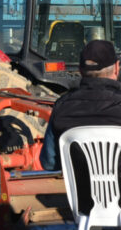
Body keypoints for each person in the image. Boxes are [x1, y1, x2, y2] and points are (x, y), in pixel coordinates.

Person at [39, 40, 121, 170]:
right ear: (117, 68)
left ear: (80, 71)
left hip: (80, 190)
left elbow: (49, 163)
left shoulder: (61, 106)